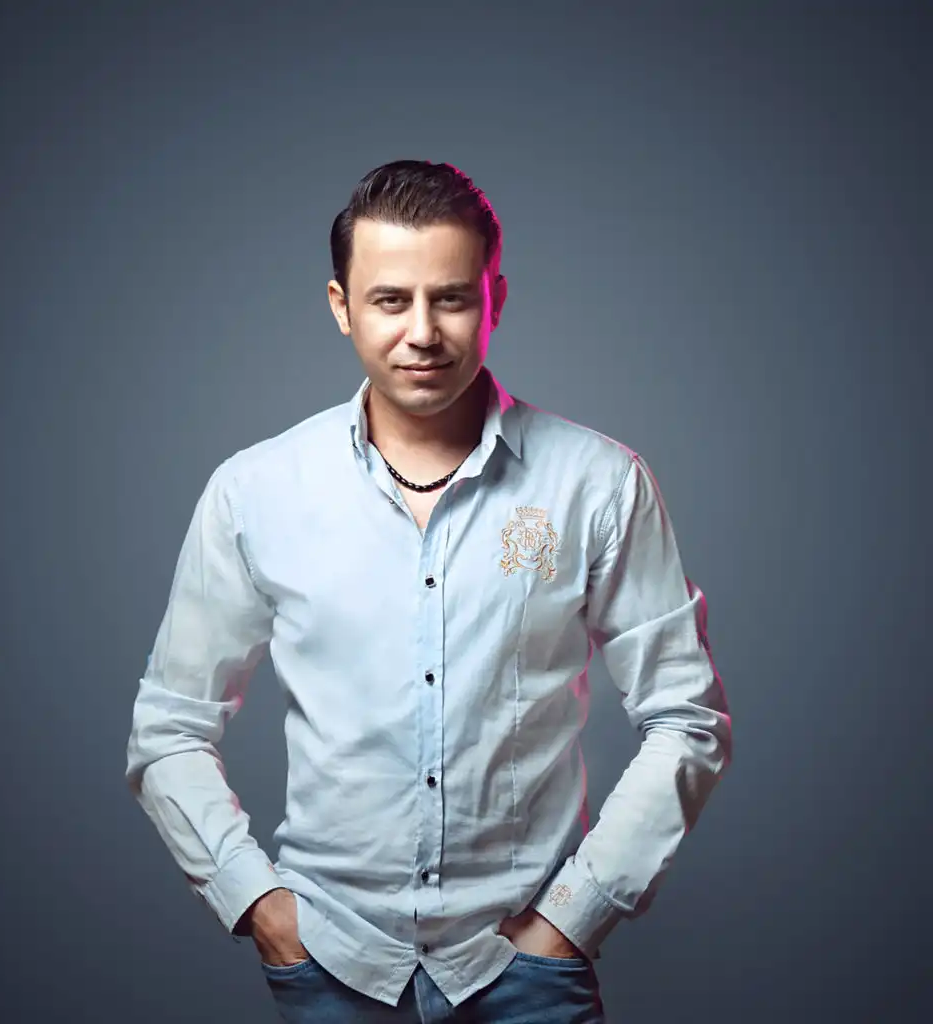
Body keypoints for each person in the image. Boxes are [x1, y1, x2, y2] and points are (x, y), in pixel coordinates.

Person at [124, 159, 732, 1023]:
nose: (422, 333)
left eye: (450, 299)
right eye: (389, 300)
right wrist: (256, 904)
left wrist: (577, 916)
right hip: (329, 966)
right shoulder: (254, 491)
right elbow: (169, 728)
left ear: (495, 299)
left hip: (529, 973)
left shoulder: (598, 484)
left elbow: (687, 717)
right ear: (340, 306)